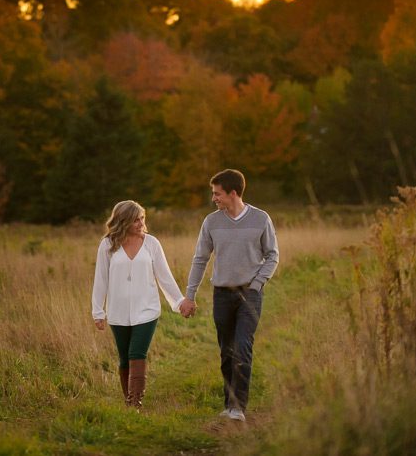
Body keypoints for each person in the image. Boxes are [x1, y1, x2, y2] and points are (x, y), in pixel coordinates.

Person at [179, 169, 279, 423]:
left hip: (250, 294)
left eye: (217, 193)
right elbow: (200, 259)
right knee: (227, 350)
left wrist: (257, 284)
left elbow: (272, 255)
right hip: (222, 294)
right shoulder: (211, 222)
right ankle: (229, 403)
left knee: (243, 346)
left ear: (233, 193)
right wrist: (189, 296)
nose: (214, 198)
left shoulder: (260, 218)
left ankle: (237, 408)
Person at [92, 200, 186, 410]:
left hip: (147, 310)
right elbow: (101, 280)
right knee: (124, 358)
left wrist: (179, 302)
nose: (140, 223)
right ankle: (129, 402)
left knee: (137, 353)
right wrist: (98, 312)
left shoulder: (152, 243)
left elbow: (165, 277)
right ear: (123, 221)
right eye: (135, 219)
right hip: (117, 312)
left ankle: (135, 403)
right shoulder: (107, 244)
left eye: (142, 218)